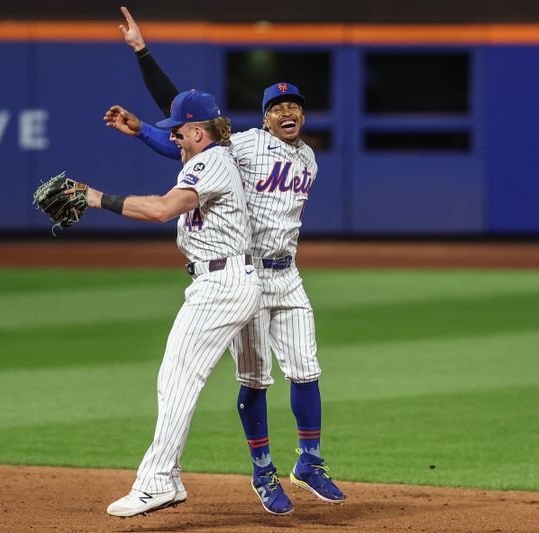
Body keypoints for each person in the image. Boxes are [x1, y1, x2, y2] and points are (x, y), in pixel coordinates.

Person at [103, 7, 346, 515]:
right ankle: (263, 473)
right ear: (263, 117)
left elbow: (192, 136)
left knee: (307, 371)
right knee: (255, 380)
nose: (287, 111)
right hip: (247, 272)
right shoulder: (245, 146)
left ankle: (310, 461)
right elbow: (189, 133)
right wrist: (142, 62)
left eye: (294, 105)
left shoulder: (309, 158)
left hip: (288, 273)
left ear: (302, 114)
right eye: (277, 105)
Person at [84, 89, 262, 517]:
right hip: (226, 279)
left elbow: (163, 209)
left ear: (198, 131)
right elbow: (173, 150)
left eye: (179, 132)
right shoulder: (213, 155)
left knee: (179, 378)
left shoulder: (210, 162)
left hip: (223, 282)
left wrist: (96, 198)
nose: (174, 140)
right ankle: (167, 479)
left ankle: (158, 481)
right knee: (177, 378)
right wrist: (142, 130)